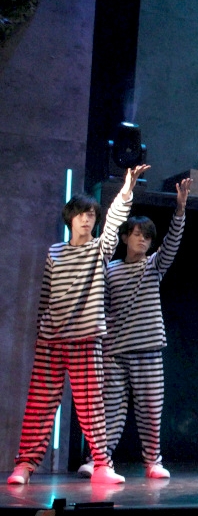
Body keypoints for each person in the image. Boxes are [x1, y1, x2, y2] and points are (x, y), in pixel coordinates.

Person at [7, 165, 149, 486]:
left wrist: (126, 191)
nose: (87, 219)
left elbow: (114, 223)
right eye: (82, 214)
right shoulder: (55, 252)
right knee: (40, 405)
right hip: (52, 340)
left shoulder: (99, 249)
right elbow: (45, 296)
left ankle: (101, 465)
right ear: (70, 218)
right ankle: (25, 465)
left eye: (92, 214)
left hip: (86, 339)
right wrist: (42, 331)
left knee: (91, 407)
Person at [77, 178, 192, 481]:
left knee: (151, 412)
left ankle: (153, 462)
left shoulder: (153, 266)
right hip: (115, 353)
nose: (143, 240)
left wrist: (180, 210)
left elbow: (172, 243)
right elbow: (102, 309)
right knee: (110, 411)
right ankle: (99, 461)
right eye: (138, 234)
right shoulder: (110, 269)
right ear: (125, 237)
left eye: (147, 237)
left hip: (149, 351)